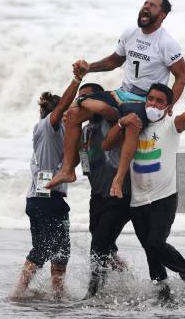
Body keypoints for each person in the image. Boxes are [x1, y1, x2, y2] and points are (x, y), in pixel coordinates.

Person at [48, 0, 185, 191]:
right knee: (72, 114)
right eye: (145, 3)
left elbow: (181, 77)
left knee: (129, 122)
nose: (146, 7)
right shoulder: (130, 33)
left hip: (143, 101)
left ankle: (118, 179)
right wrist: (89, 68)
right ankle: (68, 170)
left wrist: (169, 105)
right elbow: (114, 61)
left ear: (163, 15)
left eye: (153, 6)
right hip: (121, 93)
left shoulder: (167, 43)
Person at [103, 83, 185, 300]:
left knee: (154, 243)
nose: (153, 104)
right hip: (138, 201)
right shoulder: (135, 125)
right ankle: (163, 295)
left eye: (159, 101)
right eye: (150, 99)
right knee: (151, 253)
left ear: (168, 107)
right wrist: (122, 122)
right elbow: (107, 145)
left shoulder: (171, 125)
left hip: (164, 198)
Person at [8, 68, 86, 302]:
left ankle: (42, 293)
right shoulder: (45, 127)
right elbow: (62, 107)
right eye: (62, 113)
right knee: (51, 250)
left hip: (43, 198)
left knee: (49, 250)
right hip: (45, 198)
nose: (65, 115)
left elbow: (74, 162)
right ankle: (30, 293)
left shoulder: (62, 133)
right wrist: (77, 80)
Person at [74, 83, 133, 298]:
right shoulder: (84, 130)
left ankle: (93, 294)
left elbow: (106, 109)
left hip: (118, 196)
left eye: (88, 98)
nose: (83, 103)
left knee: (98, 246)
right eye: (80, 98)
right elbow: (83, 163)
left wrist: (80, 101)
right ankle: (127, 281)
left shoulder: (112, 120)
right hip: (97, 197)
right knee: (105, 246)